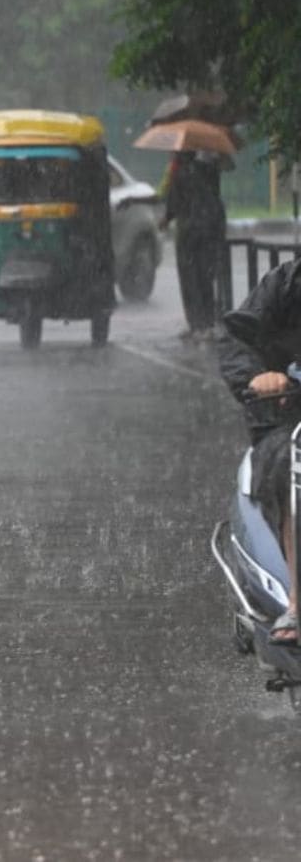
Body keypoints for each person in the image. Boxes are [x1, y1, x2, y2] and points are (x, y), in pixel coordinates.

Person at [218, 259, 301, 643]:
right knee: (293, 465)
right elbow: (238, 335)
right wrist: (258, 376)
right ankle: (298, 602)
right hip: (289, 420)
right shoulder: (285, 285)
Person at [161, 149, 227, 341]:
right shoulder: (210, 168)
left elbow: (174, 202)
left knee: (190, 279)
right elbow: (215, 197)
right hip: (211, 229)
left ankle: (196, 325)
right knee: (206, 276)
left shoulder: (180, 172)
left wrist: (166, 219)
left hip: (189, 232)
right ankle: (209, 323)